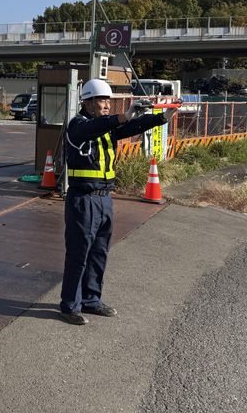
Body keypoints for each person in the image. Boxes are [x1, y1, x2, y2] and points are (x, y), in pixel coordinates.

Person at [59, 78, 179, 325]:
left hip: (104, 200)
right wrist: (123, 116)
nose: (106, 105)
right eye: (102, 100)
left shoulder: (107, 127)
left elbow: (132, 127)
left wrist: (162, 117)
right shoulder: (77, 125)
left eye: (108, 100)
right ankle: (70, 305)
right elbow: (95, 128)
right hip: (83, 199)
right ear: (88, 102)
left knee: (99, 252)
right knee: (78, 253)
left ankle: (92, 300)